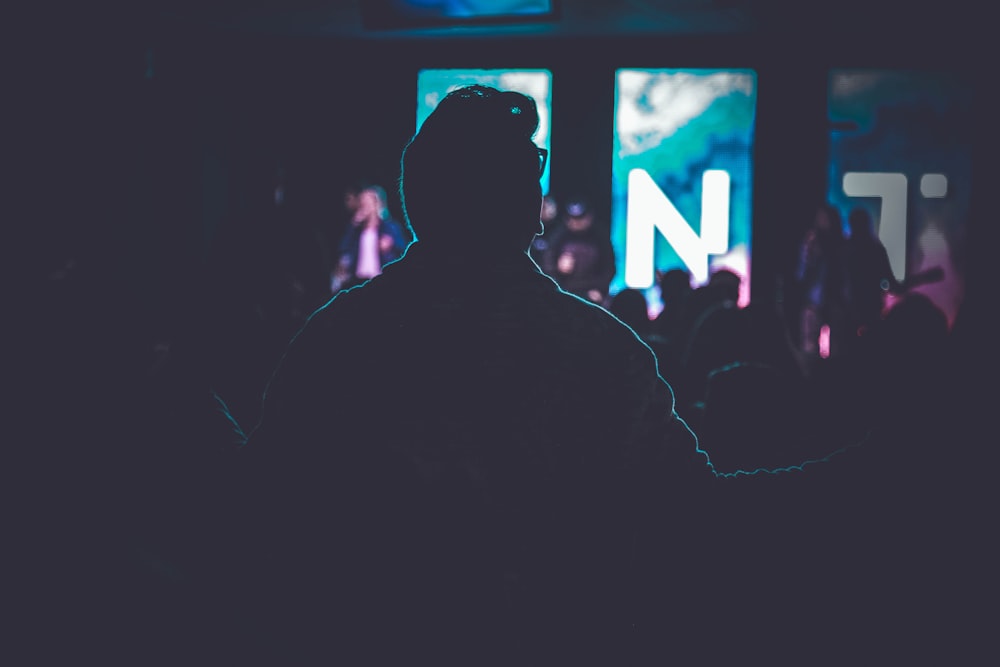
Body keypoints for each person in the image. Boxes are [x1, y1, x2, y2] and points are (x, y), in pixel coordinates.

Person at [232, 84, 721, 664]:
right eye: (531, 166)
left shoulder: (336, 341)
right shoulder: (599, 354)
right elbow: (699, 519)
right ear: (523, 200)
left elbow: (258, 524)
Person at [329, 183, 409, 292]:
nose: (364, 205)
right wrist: (353, 225)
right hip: (359, 281)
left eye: (367, 201)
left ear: (376, 204)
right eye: (362, 201)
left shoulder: (390, 227)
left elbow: (404, 248)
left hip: (381, 277)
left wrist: (391, 244)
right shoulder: (356, 230)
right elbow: (343, 249)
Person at [537, 194, 616, 305]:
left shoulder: (600, 237)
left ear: (589, 217)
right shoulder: (558, 236)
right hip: (564, 291)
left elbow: (609, 268)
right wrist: (558, 269)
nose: (576, 223)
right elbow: (546, 266)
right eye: (573, 219)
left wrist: (599, 290)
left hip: (593, 293)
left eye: (580, 219)